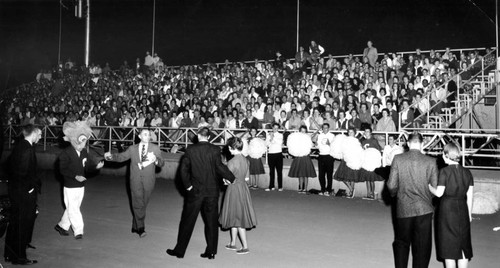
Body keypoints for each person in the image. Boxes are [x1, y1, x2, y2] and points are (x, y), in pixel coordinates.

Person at [166, 127, 236, 260]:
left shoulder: (190, 150)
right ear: (209, 137)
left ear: (198, 136)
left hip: (195, 192)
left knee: (187, 221)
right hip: (212, 191)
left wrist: (188, 187)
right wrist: (232, 178)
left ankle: (179, 251)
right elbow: (220, 167)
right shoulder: (215, 149)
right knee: (211, 222)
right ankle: (211, 252)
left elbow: (183, 171)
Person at [387, 132, 438, 268]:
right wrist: (426, 197)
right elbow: (434, 187)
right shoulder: (431, 161)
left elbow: (391, 185)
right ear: (422, 144)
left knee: (402, 243)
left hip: (403, 208)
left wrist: (395, 196)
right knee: (422, 247)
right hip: (424, 209)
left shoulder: (398, 159)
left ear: (408, 144)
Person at [104, 128, 164, 237]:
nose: (147, 136)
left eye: (148, 134)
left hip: (149, 181)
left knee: (143, 204)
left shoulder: (155, 148)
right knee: (138, 203)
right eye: (145, 134)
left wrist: (155, 159)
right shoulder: (132, 149)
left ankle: (135, 225)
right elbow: (122, 157)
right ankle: (141, 228)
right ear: (139, 137)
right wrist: (111, 156)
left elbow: (161, 163)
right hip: (135, 180)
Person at [55, 121, 104, 240]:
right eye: (81, 143)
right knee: (74, 209)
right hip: (70, 186)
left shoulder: (83, 152)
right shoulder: (65, 154)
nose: (83, 145)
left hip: (81, 185)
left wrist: (95, 167)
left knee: (73, 207)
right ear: (74, 141)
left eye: (85, 142)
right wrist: (75, 176)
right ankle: (78, 230)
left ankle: (62, 226)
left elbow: (87, 167)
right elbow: (62, 169)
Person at [429, 144, 474, 268]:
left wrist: (429, 187)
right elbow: (470, 196)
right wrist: (469, 215)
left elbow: (439, 193)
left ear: (446, 155)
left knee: (448, 246)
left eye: (443, 153)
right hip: (463, 210)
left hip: (447, 210)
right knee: (463, 244)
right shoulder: (467, 172)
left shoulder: (444, 171)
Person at [4, 125, 41, 265]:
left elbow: (9, 167)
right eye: (39, 134)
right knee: (22, 225)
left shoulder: (20, 146)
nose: (40, 137)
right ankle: (19, 257)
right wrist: (30, 189)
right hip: (24, 194)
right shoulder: (27, 149)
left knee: (14, 223)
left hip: (16, 192)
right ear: (33, 134)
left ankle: (9, 254)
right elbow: (22, 172)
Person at [219, 137, 257, 255]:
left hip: (234, 189)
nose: (228, 149)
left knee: (237, 217)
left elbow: (227, 181)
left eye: (229, 147)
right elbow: (246, 178)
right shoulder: (246, 160)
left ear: (232, 148)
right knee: (236, 215)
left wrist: (225, 180)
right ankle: (232, 242)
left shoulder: (231, 162)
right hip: (243, 189)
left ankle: (245, 246)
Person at [288, 126, 317, 193]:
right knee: (300, 174)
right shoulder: (296, 138)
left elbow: (311, 145)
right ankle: (301, 188)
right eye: (302, 131)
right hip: (298, 157)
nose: (303, 132)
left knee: (305, 174)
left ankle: (305, 189)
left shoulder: (308, 138)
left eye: (304, 131)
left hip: (305, 157)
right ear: (299, 131)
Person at [315, 123, 335, 196]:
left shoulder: (332, 136)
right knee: (321, 175)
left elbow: (334, 147)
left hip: (329, 156)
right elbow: (318, 145)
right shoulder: (320, 136)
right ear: (322, 129)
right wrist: (316, 144)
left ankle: (328, 190)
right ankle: (322, 189)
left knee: (329, 175)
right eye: (323, 128)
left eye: (326, 128)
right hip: (321, 156)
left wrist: (329, 143)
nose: (325, 129)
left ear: (328, 128)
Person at [265, 123, 284, 191]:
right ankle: (271, 186)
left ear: (278, 128)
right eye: (274, 127)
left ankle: (280, 186)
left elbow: (279, 143)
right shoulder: (268, 134)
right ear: (272, 127)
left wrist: (273, 137)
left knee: (279, 171)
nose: (275, 129)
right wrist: (270, 138)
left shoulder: (280, 135)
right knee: (271, 171)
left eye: (277, 128)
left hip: (278, 154)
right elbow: (267, 144)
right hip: (271, 154)